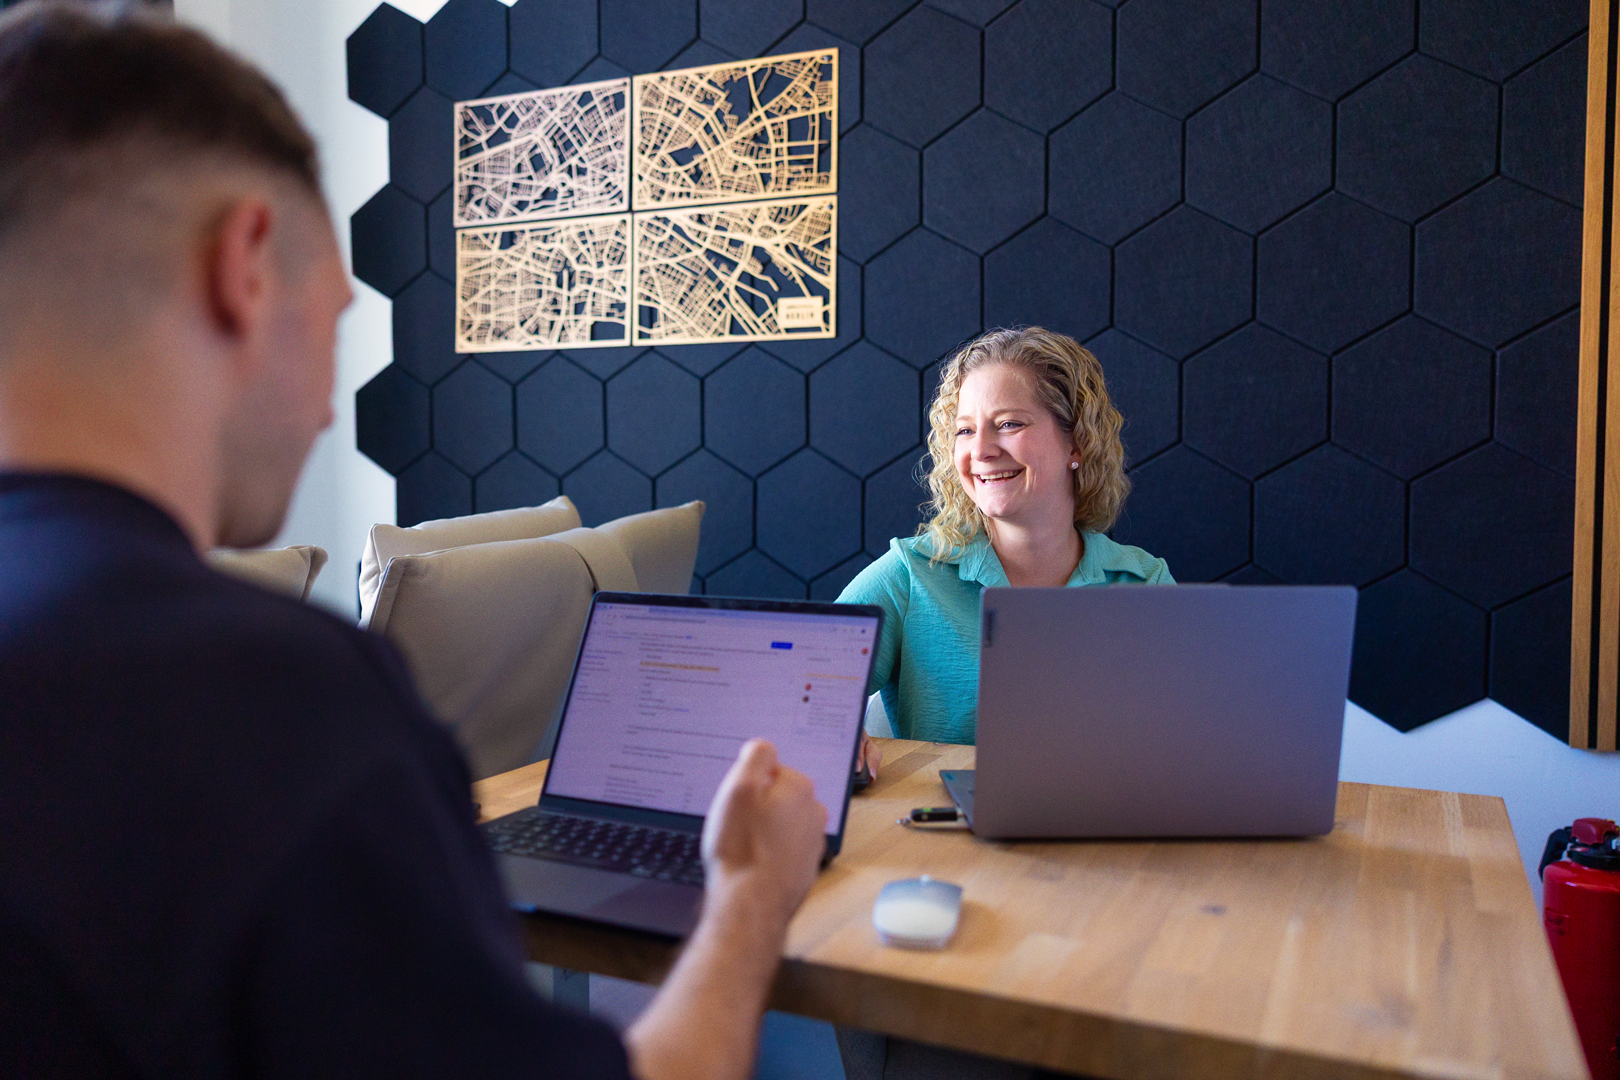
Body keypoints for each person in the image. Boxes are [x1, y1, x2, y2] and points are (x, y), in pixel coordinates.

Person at [0, 5, 827, 1079]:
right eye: (339, 319)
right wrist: (753, 901)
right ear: (244, 269)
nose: (325, 417)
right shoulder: (275, 701)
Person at [842, 326, 1173, 765]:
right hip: (938, 830)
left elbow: (1190, 741)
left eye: (1008, 424)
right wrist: (839, 738)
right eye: (964, 430)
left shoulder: (1144, 583)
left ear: (1077, 440)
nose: (980, 450)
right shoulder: (911, 572)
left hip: (1100, 827)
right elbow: (793, 689)